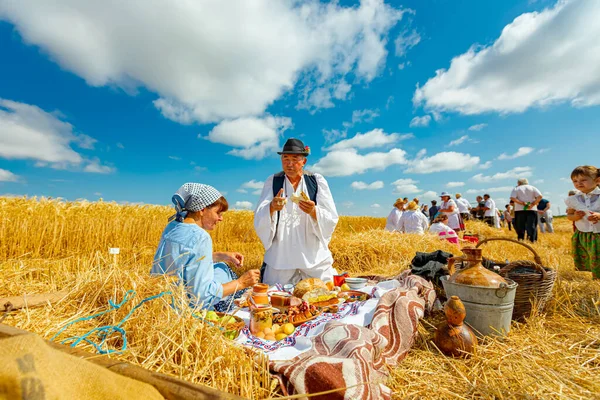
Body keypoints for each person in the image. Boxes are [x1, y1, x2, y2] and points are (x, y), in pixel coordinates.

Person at [152, 183, 260, 312]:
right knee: (223, 270)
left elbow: (183, 261)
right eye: (218, 212)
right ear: (202, 210)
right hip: (187, 310)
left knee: (220, 265)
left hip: (165, 304)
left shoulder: (173, 227)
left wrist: (220, 256)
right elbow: (201, 295)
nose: (221, 218)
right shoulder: (200, 237)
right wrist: (241, 283)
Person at [254, 138, 339, 285]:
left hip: (312, 256)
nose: (289, 164)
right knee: (276, 294)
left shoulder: (316, 181)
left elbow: (331, 217)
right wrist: (272, 207)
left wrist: (314, 211)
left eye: (294, 159)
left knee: (323, 291)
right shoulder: (273, 181)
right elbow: (259, 214)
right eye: (285, 159)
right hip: (281, 256)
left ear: (303, 162)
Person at [565, 166, 600, 280]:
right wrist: (575, 216)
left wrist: (599, 215)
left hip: (598, 234)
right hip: (584, 234)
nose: (578, 183)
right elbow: (569, 216)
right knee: (592, 258)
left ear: (597, 180)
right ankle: (597, 280)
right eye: (575, 181)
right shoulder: (574, 199)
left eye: (583, 180)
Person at [510, 178, 542, 242]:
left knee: (520, 226)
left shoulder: (516, 188)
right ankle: (532, 240)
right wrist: (533, 204)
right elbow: (540, 196)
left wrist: (522, 203)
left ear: (519, 183)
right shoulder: (533, 188)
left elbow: (512, 198)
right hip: (532, 209)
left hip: (519, 210)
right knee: (532, 225)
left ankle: (521, 240)